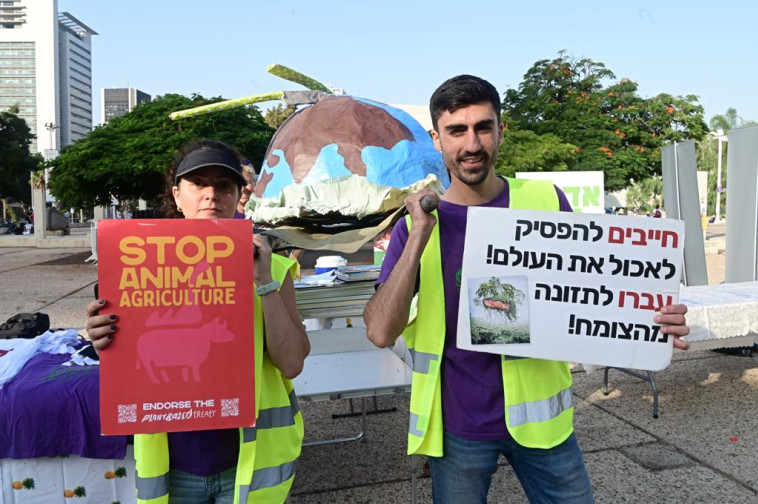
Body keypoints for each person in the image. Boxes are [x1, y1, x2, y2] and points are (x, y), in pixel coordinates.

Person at [363, 75, 691, 504]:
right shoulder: (415, 223)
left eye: (483, 127)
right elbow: (379, 331)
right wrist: (421, 232)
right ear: (437, 140)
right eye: (457, 131)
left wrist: (651, 319)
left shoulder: (547, 201)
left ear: (501, 131)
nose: (472, 144)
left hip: (542, 425)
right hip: (456, 429)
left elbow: (594, 289)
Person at [86, 139, 310, 504]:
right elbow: (126, 359)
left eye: (224, 185)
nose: (211, 195)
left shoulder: (276, 269)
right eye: (198, 184)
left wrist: (264, 283)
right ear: (177, 195)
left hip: (250, 464)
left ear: (240, 195)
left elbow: (293, 363)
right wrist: (102, 338)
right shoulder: (136, 267)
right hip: (175, 466)